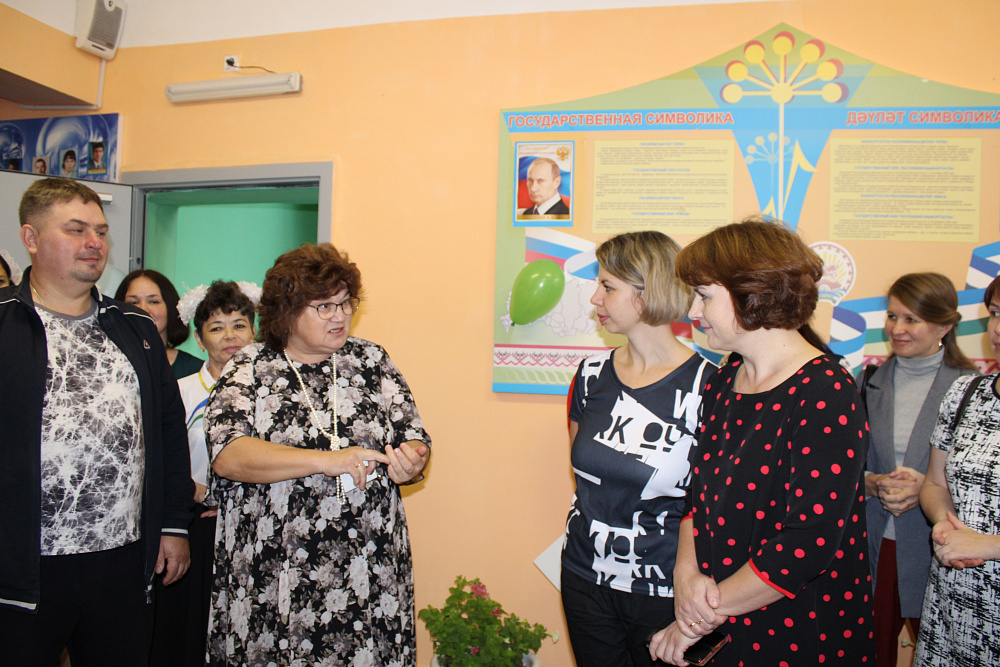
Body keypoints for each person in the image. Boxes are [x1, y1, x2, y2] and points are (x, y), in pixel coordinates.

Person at [648, 217, 875, 666]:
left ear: (754, 293)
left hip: (798, 628)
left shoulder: (825, 391)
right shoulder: (726, 378)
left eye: (704, 296)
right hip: (723, 614)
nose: (693, 312)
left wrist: (698, 617)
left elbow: (808, 542)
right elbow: (697, 499)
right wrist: (685, 577)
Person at [205, 243, 431, 666]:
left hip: (367, 568)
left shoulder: (371, 360)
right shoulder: (249, 367)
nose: (340, 316)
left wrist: (411, 462)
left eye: (346, 303)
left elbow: (413, 437)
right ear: (287, 311)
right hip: (275, 569)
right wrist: (328, 459)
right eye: (325, 306)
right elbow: (229, 454)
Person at [0, 177, 193, 664]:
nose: (94, 243)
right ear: (30, 238)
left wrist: (174, 525)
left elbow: (168, 430)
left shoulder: (135, 326)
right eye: (76, 229)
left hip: (122, 559)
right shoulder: (4, 321)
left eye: (101, 232)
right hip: (24, 566)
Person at [561, 231, 714, 666]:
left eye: (608, 287)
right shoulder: (590, 375)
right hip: (585, 578)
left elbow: (708, 504)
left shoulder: (710, 387)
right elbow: (585, 474)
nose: (596, 299)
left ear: (649, 292)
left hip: (665, 590)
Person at [861, 273, 978, 666]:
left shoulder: (973, 390)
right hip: (876, 544)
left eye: (911, 319)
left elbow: (982, 481)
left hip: (940, 549)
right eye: (893, 317)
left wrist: (928, 487)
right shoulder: (868, 381)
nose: (897, 329)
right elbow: (843, 469)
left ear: (944, 326)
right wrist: (874, 483)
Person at [149, 280, 259, 667]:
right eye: (216, 327)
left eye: (239, 325)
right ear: (199, 339)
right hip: (194, 526)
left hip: (252, 525)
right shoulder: (178, 392)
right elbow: (156, 458)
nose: (230, 336)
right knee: (188, 630)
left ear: (254, 332)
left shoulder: (272, 394)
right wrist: (194, 491)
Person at [913, 274, 1000, 666]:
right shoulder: (967, 393)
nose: (997, 328)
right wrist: (943, 523)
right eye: (995, 313)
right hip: (952, 599)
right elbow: (935, 483)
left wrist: (990, 545)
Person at [117, 269, 204, 379]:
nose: (143, 309)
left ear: (170, 307)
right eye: (133, 303)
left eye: (153, 302)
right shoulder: (108, 365)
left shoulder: (197, 371)